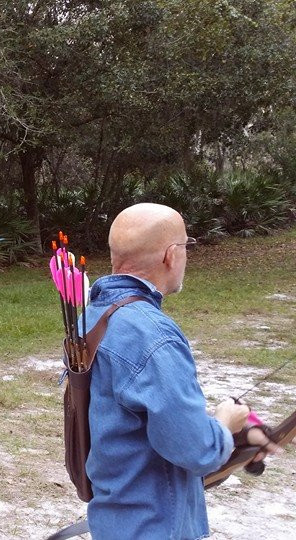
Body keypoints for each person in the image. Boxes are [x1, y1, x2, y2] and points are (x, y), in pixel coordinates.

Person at [82, 202, 284, 538]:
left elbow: (141, 423)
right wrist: (225, 422)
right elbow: (197, 450)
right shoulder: (152, 335)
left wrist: (237, 435)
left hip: (116, 520)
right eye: (187, 246)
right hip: (155, 526)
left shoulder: (93, 316)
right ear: (171, 255)